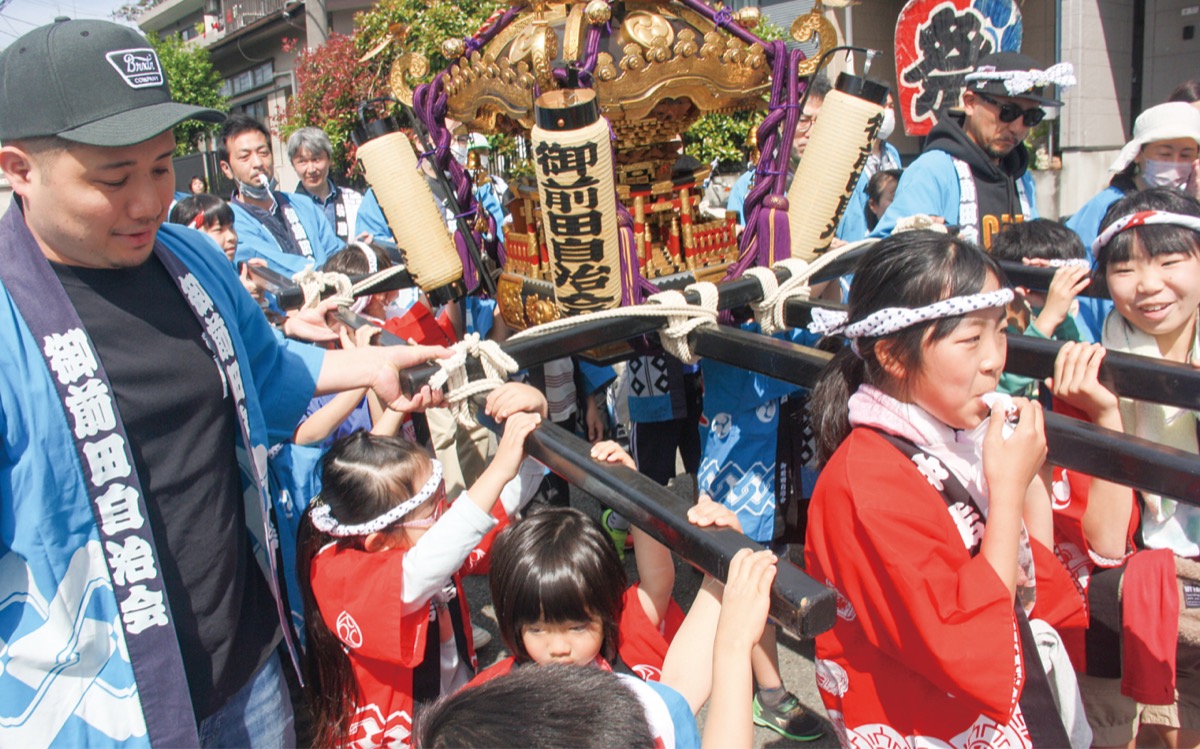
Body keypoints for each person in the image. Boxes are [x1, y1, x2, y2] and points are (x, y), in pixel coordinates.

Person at [0, 18, 450, 747]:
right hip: (95, 710)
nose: (149, 200)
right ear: (19, 168)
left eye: (160, 166)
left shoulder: (186, 259)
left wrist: (374, 365)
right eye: (114, 179)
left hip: (247, 670)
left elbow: (266, 371)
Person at [804, 230, 1088, 747]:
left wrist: (1023, 481)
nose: (994, 360)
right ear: (892, 356)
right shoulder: (865, 483)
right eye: (969, 339)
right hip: (931, 720)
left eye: (999, 332)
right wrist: (1005, 494)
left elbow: (1034, 588)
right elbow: (965, 639)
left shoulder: (954, 436)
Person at [298, 383, 548, 749]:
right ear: (378, 540)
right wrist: (497, 468)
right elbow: (425, 565)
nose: (444, 516)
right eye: (432, 509)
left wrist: (536, 421)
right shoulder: (337, 572)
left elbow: (496, 506)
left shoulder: (410, 536)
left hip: (450, 703)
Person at [416, 546, 780, 749]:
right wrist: (732, 645)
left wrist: (721, 569)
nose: (560, 647)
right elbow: (673, 706)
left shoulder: (477, 709)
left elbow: (674, 699)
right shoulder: (632, 706)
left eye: (576, 626)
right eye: (539, 628)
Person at [1071, 187, 1200, 749]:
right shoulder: (1094, 364)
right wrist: (1106, 414)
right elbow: (1102, 536)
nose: (1148, 284)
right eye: (1125, 268)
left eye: (1170, 262)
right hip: (1142, 577)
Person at [872, 53, 1074, 248]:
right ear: (970, 102)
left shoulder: (1022, 178)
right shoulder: (933, 170)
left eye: (1031, 117)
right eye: (1008, 112)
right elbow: (884, 253)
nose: (1017, 127)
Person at [1066, 102, 1200, 340]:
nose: (1175, 162)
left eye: (1186, 154)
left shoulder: (1190, 204)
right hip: (1112, 338)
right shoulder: (1104, 207)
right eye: (1165, 153)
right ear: (1138, 153)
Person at [218, 113, 342, 275]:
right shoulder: (231, 224)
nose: (258, 163)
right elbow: (272, 266)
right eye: (244, 157)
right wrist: (322, 271)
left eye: (263, 153)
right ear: (226, 168)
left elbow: (334, 250)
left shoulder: (303, 204)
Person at [989, 219, 1091, 396]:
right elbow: (1000, 384)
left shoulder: (1048, 320)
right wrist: (1048, 317)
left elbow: (1083, 362)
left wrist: (1051, 312)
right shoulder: (990, 326)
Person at [726, 76, 832, 226]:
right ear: (781, 124)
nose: (812, 132)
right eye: (803, 121)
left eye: (820, 121)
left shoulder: (841, 180)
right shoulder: (749, 186)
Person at [836, 93, 903, 242]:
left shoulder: (891, 153)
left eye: (891, 106)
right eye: (883, 105)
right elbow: (851, 216)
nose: (888, 112)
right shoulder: (851, 155)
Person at [286, 126, 364, 244]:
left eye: (316, 159)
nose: (311, 169)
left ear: (329, 159)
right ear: (293, 165)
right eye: (302, 161)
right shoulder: (287, 208)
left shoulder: (355, 200)